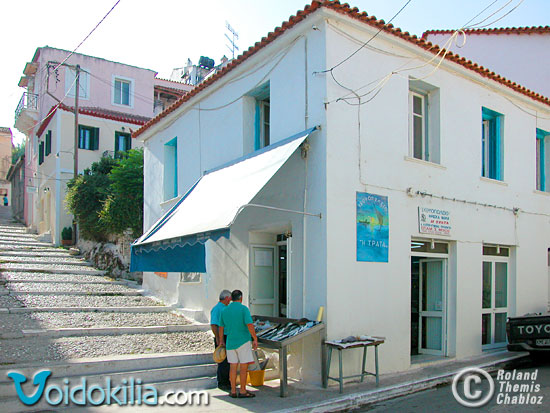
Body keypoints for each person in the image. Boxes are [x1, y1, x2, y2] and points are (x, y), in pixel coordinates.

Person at [219, 289, 258, 399]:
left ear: (231, 298)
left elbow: (221, 327)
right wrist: (254, 338)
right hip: (243, 341)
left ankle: (233, 390)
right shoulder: (244, 309)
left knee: (233, 367)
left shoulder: (224, 310)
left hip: (230, 342)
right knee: (243, 367)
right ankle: (242, 390)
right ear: (241, 298)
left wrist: (221, 340)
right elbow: (249, 324)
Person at [210, 290, 231, 391]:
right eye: (229, 299)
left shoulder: (225, 308)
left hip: (226, 336)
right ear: (226, 298)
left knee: (227, 361)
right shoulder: (218, 309)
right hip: (222, 338)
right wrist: (219, 338)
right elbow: (214, 325)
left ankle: (226, 381)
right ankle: (222, 382)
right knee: (223, 361)